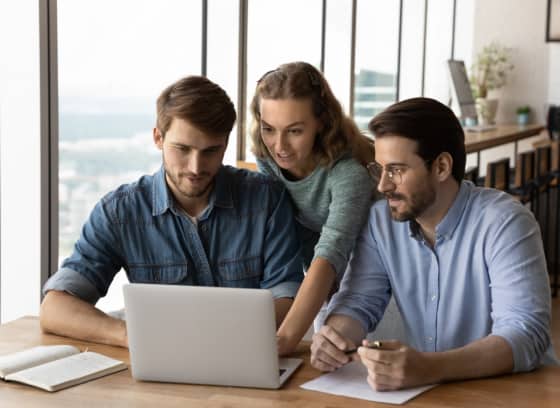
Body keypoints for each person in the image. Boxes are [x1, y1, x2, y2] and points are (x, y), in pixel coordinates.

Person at [311, 97, 556, 390]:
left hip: (510, 393)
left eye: (397, 170)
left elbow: (526, 334)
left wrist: (429, 367)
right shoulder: (381, 222)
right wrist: (334, 337)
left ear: (441, 167)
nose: (382, 186)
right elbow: (359, 302)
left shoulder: (505, 223)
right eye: (380, 169)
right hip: (426, 393)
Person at [40, 76, 303, 347]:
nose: (196, 167)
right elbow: (55, 308)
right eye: (182, 149)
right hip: (158, 363)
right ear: (158, 138)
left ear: (225, 143)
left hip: (244, 357)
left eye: (211, 151)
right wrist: (132, 335)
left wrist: (212, 339)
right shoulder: (120, 212)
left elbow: (286, 298)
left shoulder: (266, 199)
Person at [250, 61, 376, 355]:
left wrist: (281, 342)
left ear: (322, 121)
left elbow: (333, 248)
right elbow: (289, 223)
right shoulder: (267, 156)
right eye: (269, 128)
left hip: (375, 274)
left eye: (294, 131)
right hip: (323, 274)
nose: (279, 146)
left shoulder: (349, 173)